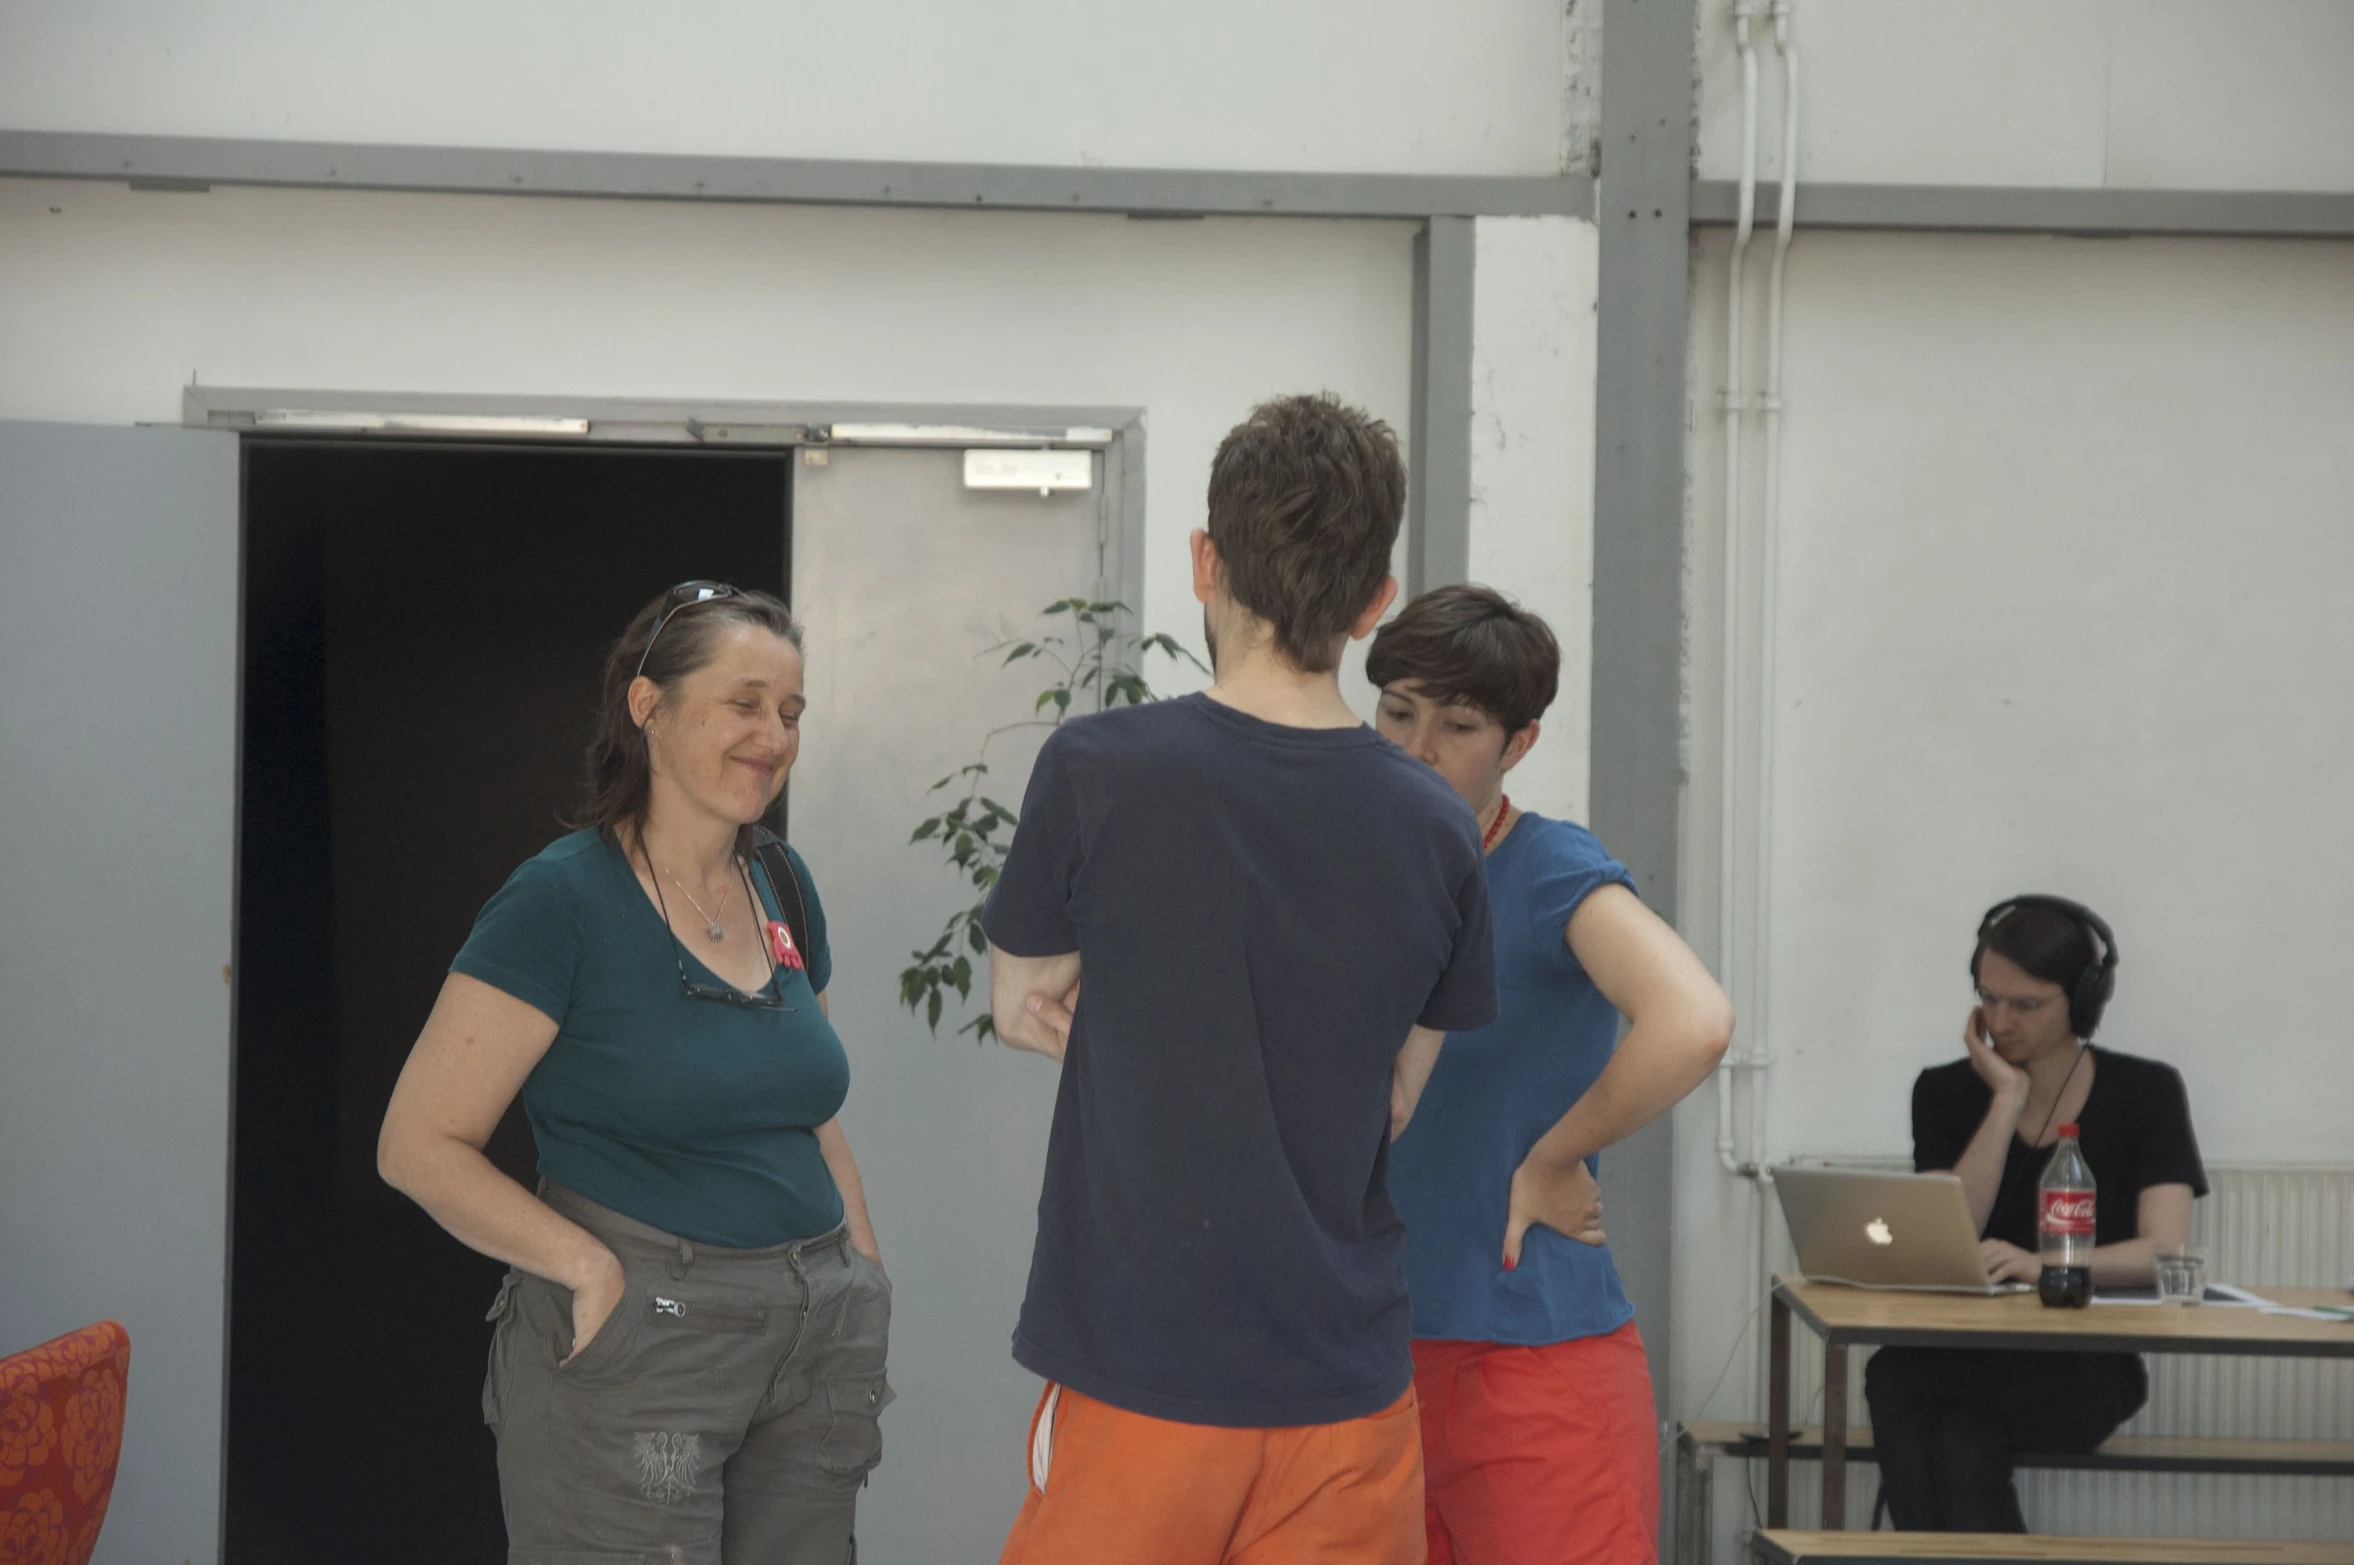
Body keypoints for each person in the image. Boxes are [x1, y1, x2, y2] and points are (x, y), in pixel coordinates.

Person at [983, 394, 1499, 1565]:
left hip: (1143, 1367)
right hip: (1345, 1393)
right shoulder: (1437, 824)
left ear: (1205, 562)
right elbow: (1399, 1088)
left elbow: (1021, 1001)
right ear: (1374, 603)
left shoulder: (1098, 769)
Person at [376, 582, 891, 1562]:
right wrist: (588, 1265)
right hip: (652, 1340)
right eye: (743, 703)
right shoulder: (561, 899)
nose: (773, 735)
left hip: (812, 1334)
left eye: (789, 712)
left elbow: (809, 1109)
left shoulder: (781, 879)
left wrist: (862, 1270)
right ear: (647, 706)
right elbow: (417, 1144)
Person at [1366, 584, 1733, 1565]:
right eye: (1396, 711)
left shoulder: (1545, 865)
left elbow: (1693, 1021)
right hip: (1355, 1353)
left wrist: (1560, 1153)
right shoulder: (1342, 871)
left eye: (1455, 725)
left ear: (1516, 744)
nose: (1415, 747)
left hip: (1527, 1349)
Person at [1864, 895, 2206, 1532]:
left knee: (1909, 1391)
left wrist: (2037, 1264)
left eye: (2025, 1005)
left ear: (2082, 1001)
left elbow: (2166, 1250)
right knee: (1945, 1425)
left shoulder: (2147, 1091)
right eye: (1988, 998)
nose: (2001, 1020)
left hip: (2084, 1367)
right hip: (1967, 1353)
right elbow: (1954, 1231)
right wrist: (2006, 1101)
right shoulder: (1942, 1092)